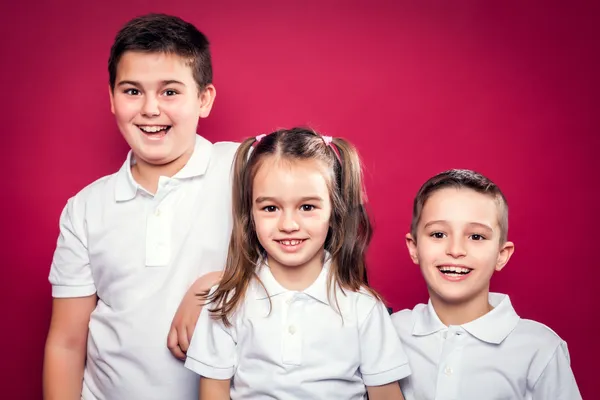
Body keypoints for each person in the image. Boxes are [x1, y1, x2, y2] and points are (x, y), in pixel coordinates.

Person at [43, 13, 238, 399]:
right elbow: (65, 342)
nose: (150, 109)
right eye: (132, 91)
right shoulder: (85, 208)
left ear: (204, 99)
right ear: (112, 99)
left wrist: (217, 285)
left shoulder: (245, 169)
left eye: (170, 92)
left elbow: (323, 219)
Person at [185, 128, 411, 399]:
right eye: (270, 208)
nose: (288, 225)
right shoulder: (227, 303)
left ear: (334, 211)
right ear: (250, 213)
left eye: (307, 207)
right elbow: (213, 393)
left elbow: (386, 394)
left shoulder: (363, 307)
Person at [392, 169, 582, 399]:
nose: (455, 250)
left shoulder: (540, 349)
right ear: (414, 248)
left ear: (501, 255)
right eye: (439, 234)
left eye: (476, 237)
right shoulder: (388, 332)